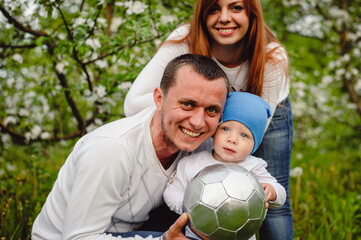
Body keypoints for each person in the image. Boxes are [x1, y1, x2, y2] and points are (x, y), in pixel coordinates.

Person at [123, 0, 293, 239]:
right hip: (211, 121)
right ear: (202, 15)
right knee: (190, 175)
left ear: (252, 13)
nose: (224, 17)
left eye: (236, 8)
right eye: (214, 8)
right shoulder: (185, 39)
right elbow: (132, 104)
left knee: (273, 194)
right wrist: (192, 112)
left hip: (257, 115)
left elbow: (248, 140)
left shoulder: (272, 57)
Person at [31, 54, 230, 240]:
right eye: (187, 104)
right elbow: (79, 238)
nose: (197, 122)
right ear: (159, 99)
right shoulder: (111, 150)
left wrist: (258, 185)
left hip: (135, 231)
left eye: (212, 110)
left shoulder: (201, 144)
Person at [163, 92, 286, 240]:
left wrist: (273, 192)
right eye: (226, 129)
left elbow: (281, 195)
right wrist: (191, 208)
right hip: (196, 235)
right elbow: (171, 192)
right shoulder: (192, 163)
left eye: (244, 135)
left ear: (255, 144)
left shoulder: (254, 167)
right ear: (215, 131)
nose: (232, 139)